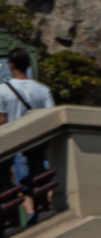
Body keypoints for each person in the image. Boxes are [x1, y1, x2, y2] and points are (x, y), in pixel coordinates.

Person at [2, 50, 54, 222]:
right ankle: (49, 207)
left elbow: (2, 120)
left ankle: (31, 212)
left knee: (22, 181)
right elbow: (50, 117)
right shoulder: (43, 89)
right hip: (39, 141)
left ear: (11, 65)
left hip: (17, 142)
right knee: (43, 176)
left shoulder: (3, 90)